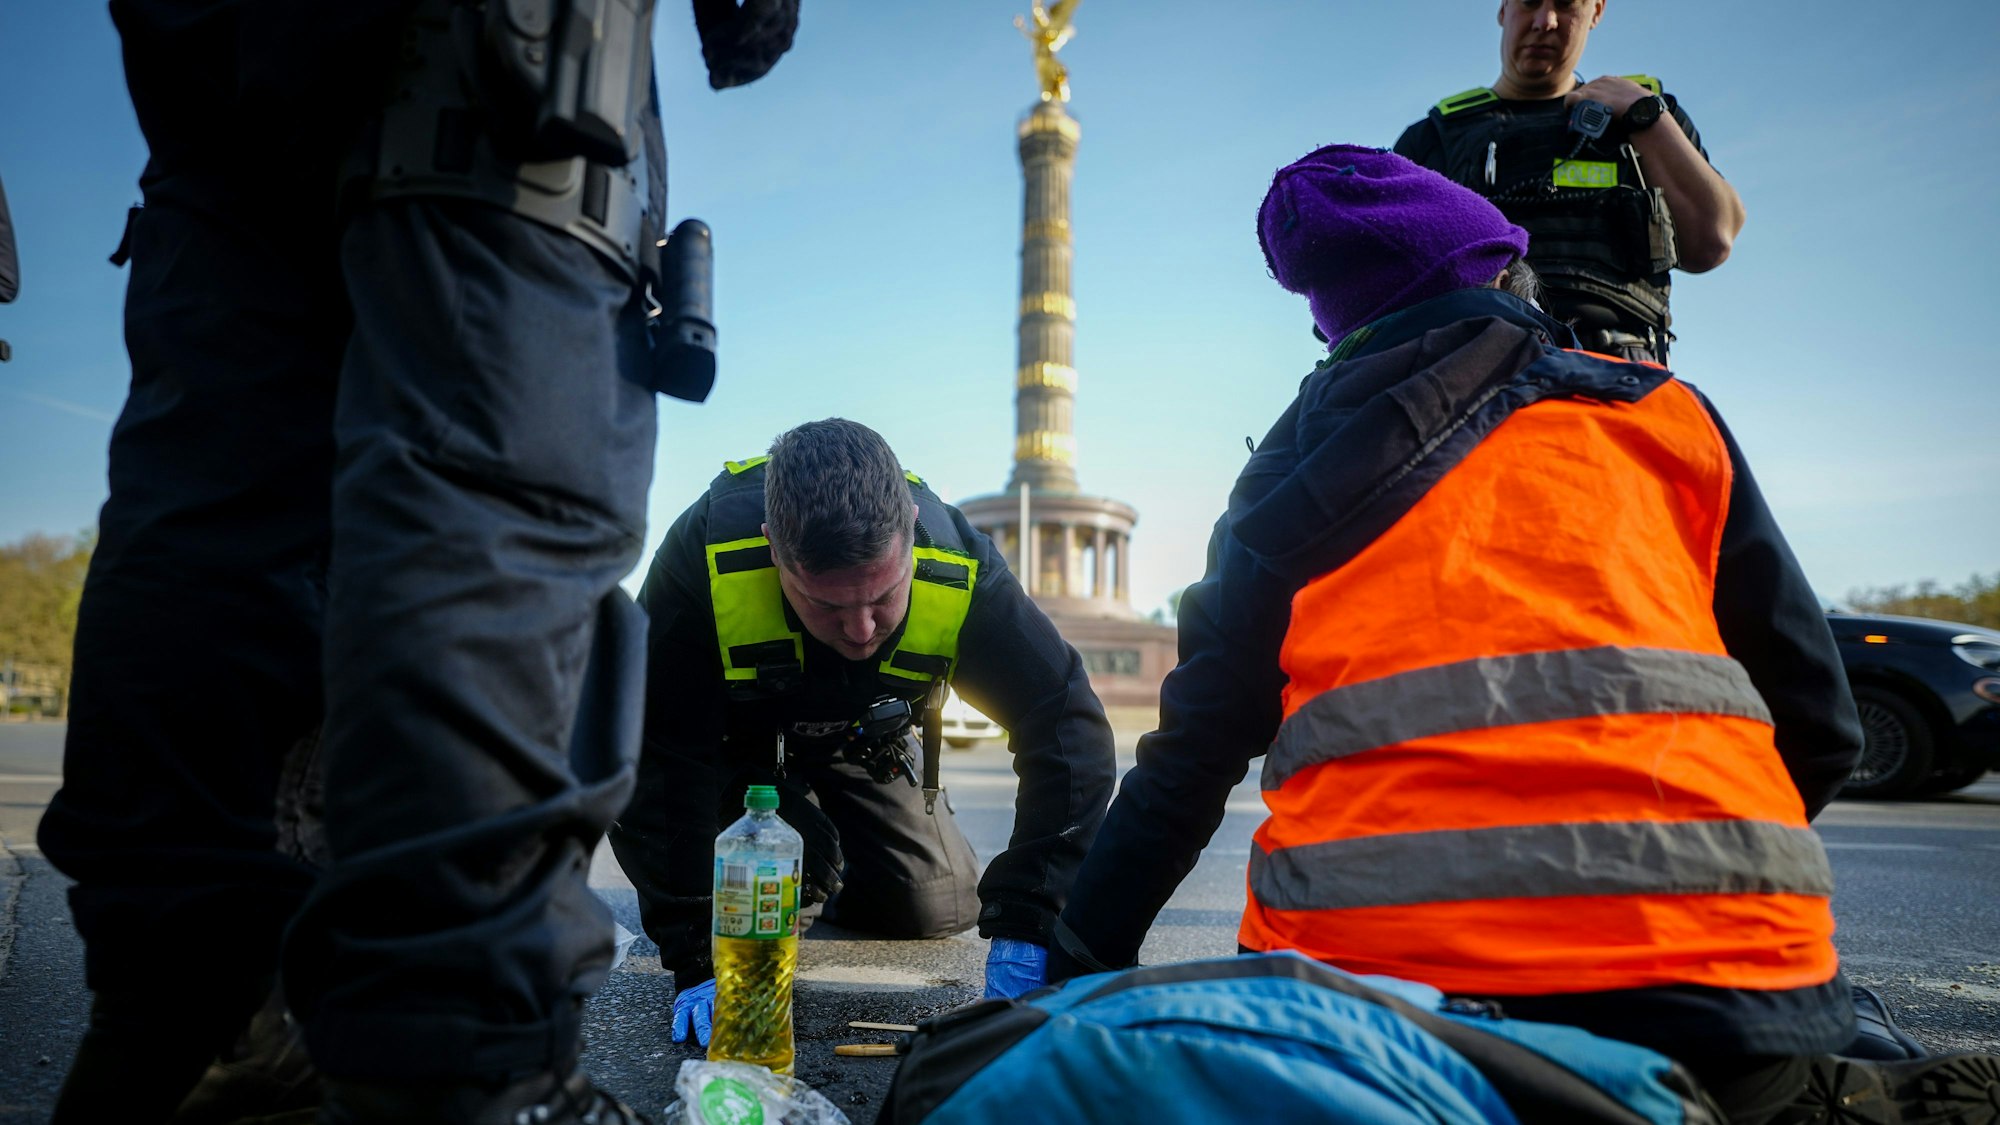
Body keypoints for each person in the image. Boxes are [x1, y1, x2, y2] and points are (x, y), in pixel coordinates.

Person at [1044, 146, 2000, 1125]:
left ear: (1334, 323)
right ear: (1503, 270)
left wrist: (1071, 965)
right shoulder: (1662, 417)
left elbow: (1189, 759)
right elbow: (1817, 718)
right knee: (1832, 1031)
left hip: (1379, 1020)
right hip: (1733, 998)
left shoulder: (1284, 478)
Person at [37, 1, 798, 1122]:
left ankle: (202, 1023)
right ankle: (468, 1067)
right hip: (500, 58)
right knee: (502, 476)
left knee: (228, 476)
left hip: (219, 48)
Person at [607, 418, 1116, 1045]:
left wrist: (1032, 919)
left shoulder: (959, 563)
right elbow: (656, 752)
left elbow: (1066, 723)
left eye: (883, 595)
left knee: (935, 904)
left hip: (860, 741)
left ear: (907, 528)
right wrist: (694, 951)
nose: (861, 630)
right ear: (773, 548)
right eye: (826, 605)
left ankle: (814, 858)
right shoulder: (704, 558)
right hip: (735, 758)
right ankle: (794, 849)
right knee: (767, 879)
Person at [1391, 0, 1746, 363]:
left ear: (1596, 12)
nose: (1545, 21)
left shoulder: (1645, 113)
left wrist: (1645, 116)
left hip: (1619, 375)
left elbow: (1712, 240)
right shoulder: (1435, 136)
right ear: (1503, 9)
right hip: (1469, 365)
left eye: (1566, 5)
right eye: (1529, 2)